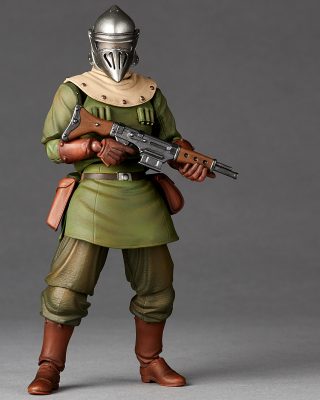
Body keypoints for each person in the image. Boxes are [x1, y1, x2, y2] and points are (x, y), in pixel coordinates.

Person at [27, 5, 209, 395]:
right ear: (93, 43)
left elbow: (171, 140)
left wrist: (188, 159)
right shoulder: (75, 90)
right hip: (94, 196)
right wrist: (93, 146)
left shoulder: (149, 91)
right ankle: (49, 366)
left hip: (142, 197)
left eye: (123, 45)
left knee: (157, 287)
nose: (116, 54)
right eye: (109, 44)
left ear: (135, 43)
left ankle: (151, 361)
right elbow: (53, 147)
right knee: (66, 289)